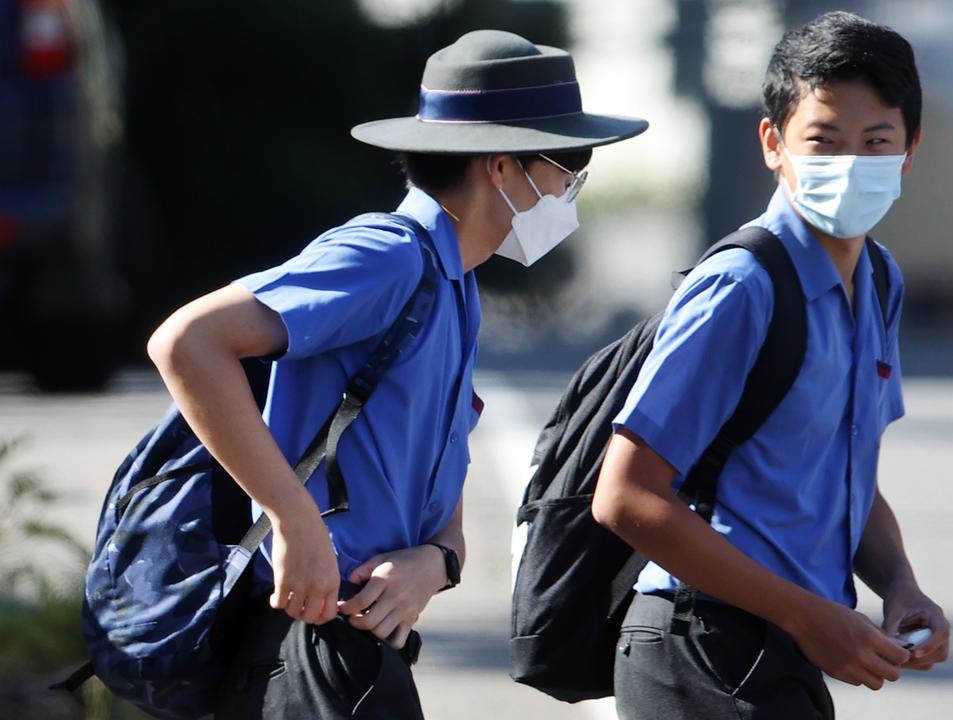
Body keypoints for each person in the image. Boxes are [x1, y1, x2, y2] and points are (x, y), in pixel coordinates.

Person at [145, 29, 646, 719]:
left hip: (362, 644)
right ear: (501, 168)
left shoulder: (455, 283)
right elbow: (185, 342)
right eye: (568, 165)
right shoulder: (386, 257)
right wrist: (296, 523)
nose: (572, 190)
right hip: (307, 641)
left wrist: (435, 563)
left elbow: (441, 507)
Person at [592, 11, 949, 719]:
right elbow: (627, 497)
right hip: (701, 647)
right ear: (772, 144)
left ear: (909, 150)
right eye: (823, 141)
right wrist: (808, 616)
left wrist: (900, 585)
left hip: (782, 649)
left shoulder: (879, 281)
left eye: (876, 141)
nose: (850, 164)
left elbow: (840, 472)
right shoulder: (743, 286)